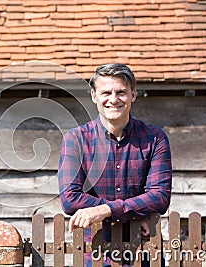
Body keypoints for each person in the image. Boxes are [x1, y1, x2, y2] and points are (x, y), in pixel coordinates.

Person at [58, 63, 172, 266]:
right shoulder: (75, 140)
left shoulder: (155, 138)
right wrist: (130, 211)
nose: (113, 99)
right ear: (94, 96)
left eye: (121, 92)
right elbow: (70, 199)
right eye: (106, 92)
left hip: (142, 251)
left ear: (133, 95)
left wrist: (104, 210)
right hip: (95, 252)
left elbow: (160, 197)